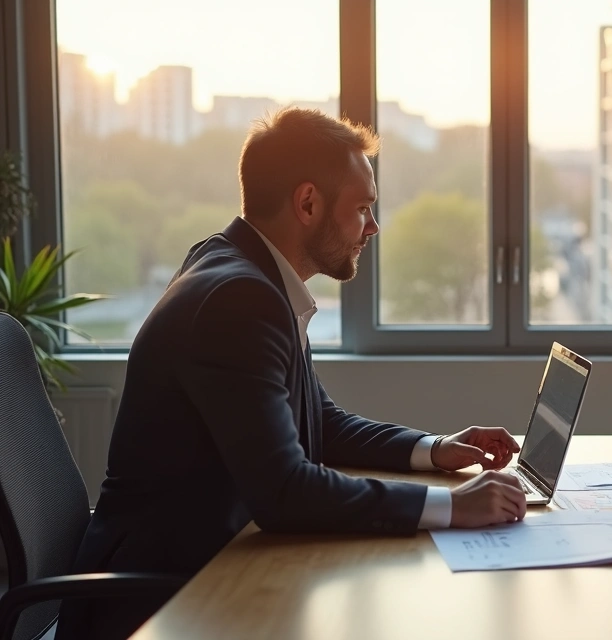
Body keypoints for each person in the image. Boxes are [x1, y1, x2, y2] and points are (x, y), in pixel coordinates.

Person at [56, 107, 527, 640]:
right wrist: (451, 506)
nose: (373, 226)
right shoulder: (240, 299)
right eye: (364, 208)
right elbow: (284, 491)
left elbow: (317, 421)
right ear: (308, 203)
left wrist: (435, 448)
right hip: (157, 599)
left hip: (199, 568)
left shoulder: (238, 266)